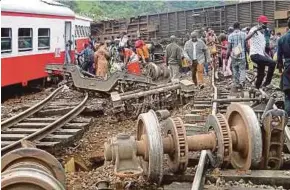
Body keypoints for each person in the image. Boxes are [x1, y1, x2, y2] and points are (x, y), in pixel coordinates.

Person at [246, 15, 276, 89]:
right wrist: (256, 30)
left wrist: (268, 57)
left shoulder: (263, 34)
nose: (265, 25)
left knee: (261, 74)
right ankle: (267, 83)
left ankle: (257, 87)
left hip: (260, 55)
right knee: (272, 63)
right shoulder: (254, 29)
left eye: (266, 23)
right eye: (264, 23)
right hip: (255, 55)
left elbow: (262, 50)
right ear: (259, 22)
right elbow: (246, 38)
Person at [226, 22, 247, 91]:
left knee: (235, 69)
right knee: (242, 69)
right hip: (242, 55)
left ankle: (237, 83)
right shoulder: (244, 34)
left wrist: (227, 57)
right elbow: (246, 45)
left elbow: (229, 48)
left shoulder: (230, 36)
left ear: (233, 27)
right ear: (239, 26)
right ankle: (242, 82)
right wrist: (249, 53)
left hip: (234, 56)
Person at [277, 18, 290, 116]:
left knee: (288, 94)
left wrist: (280, 69)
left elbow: (279, 56)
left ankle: (287, 117)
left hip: (288, 67)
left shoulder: (281, 39)